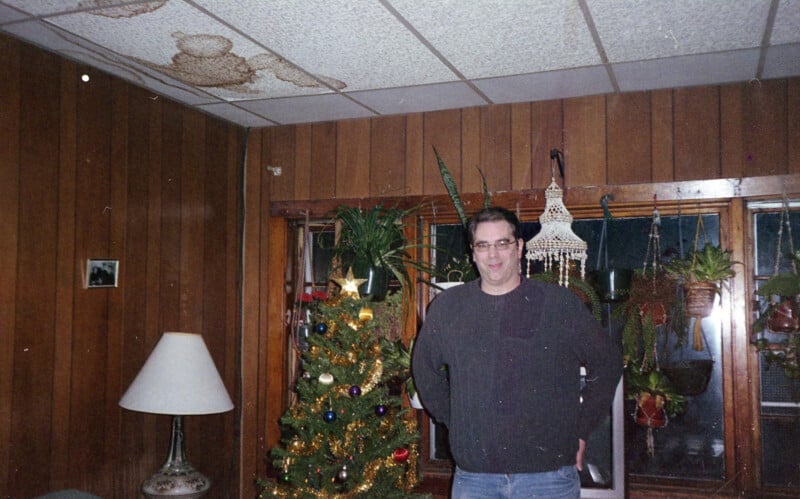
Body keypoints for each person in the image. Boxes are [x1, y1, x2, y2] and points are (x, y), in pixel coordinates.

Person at [412, 207, 622, 498]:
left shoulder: (558, 304)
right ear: (472, 252)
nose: (493, 255)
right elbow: (424, 371)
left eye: (503, 243)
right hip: (475, 479)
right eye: (483, 245)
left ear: (519, 247)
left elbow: (607, 363)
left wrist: (583, 429)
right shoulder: (448, 307)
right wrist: (456, 422)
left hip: (548, 479)